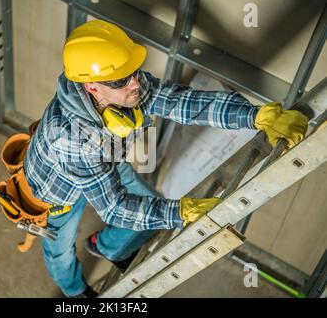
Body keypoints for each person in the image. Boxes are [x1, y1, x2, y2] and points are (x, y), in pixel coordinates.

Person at [23, 20, 308, 298]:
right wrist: (178, 212)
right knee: (60, 251)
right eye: (122, 79)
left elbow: (182, 102)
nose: (135, 82)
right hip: (56, 191)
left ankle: (107, 247)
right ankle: (75, 293)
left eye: (134, 71)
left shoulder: (129, 89)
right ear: (91, 87)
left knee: (146, 200)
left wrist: (254, 117)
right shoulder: (70, 136)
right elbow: (115, 208)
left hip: (104, 158)